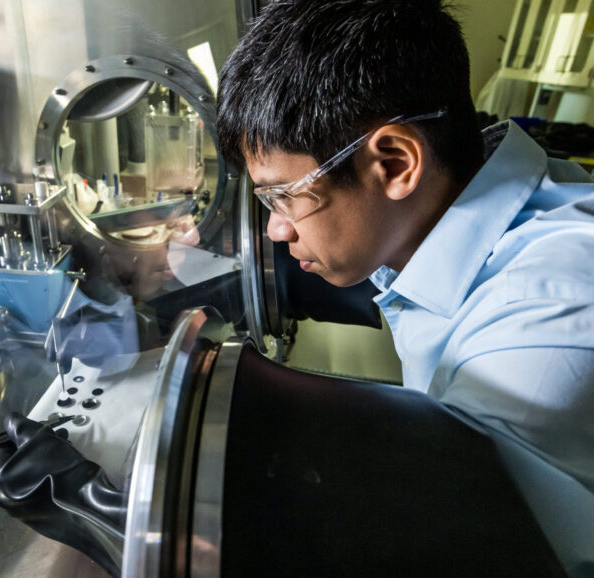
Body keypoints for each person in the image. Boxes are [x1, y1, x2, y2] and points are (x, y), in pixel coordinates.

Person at [217, 0, 594, 573]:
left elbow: (450, 550)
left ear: (394, 163)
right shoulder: (450, 220)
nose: (275, 228)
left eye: (281, 195)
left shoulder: (539, 322)